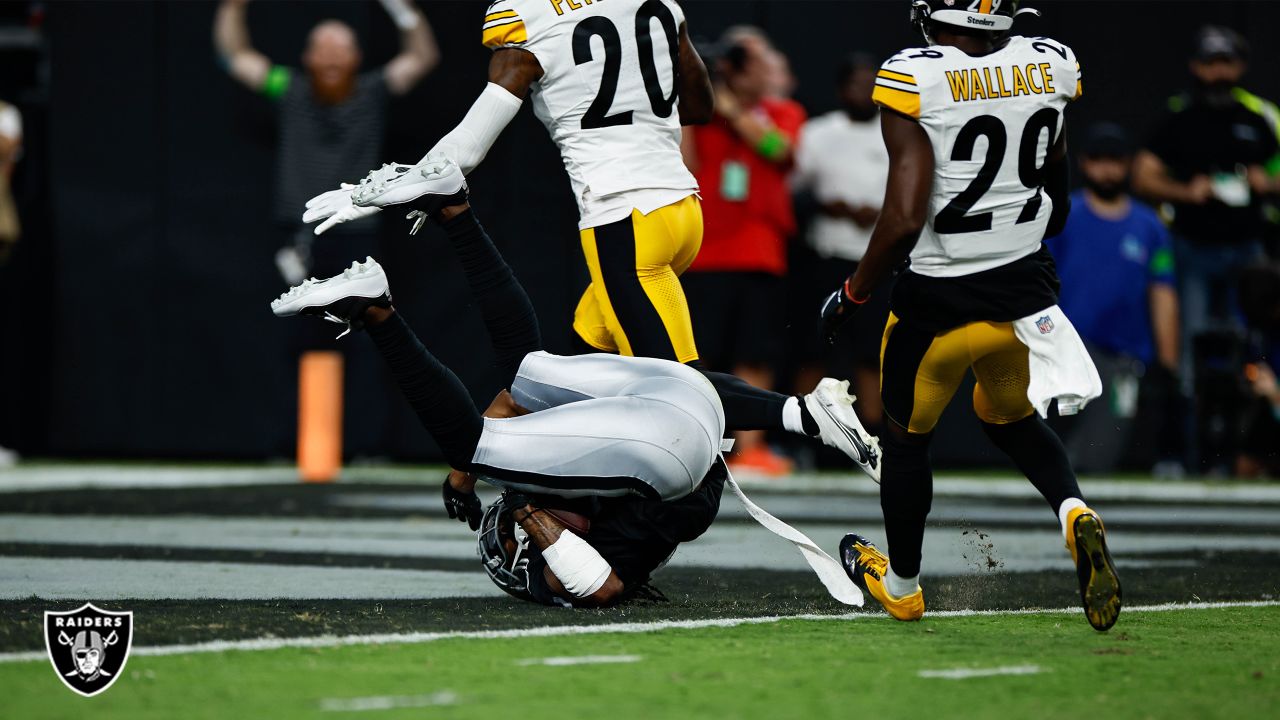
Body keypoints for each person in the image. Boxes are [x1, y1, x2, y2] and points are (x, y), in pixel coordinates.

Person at [300, 0, 881, 481]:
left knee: (683, 391)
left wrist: (371, 193)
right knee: (556, 373)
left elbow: (468, 149)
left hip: (624, 221)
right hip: (681, 214)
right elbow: (700, 105)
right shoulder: (655, 5)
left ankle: (807, 413)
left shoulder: (528, 17)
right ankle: (472, 466)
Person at [272, 164, 866, 607]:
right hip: (675, 446)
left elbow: (509, 401)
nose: (527, 507)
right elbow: (601, 588)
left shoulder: (575, 481)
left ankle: (447, 217)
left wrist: (463, 476)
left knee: (524, 369)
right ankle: (800, 415)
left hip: (681, 419)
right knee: (493, 418)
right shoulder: (596, 535)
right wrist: (526, 515)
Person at [820, 0, 1121, 631]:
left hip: (937, 301)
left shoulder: (915, 74)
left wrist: (853, 292)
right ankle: (1072, 511)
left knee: (905, 444)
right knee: (1006, 416)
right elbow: (1056, 179)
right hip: (1021, 295)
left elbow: (903, 217)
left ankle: (902, 585)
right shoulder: (1051, 61)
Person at [214, 0, 439, 284]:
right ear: (307, 57)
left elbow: (423, 58)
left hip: (358, 228)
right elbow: (233, 56)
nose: (331, 58)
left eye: (340, 49)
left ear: (357, 56)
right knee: (298, 319)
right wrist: (232, 6)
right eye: (323, 49)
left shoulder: (374, 91)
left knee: (364, 317)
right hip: (298, 229)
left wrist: (402, 10)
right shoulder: (287, 88)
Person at [680, 28, 807, 475]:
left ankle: (750, 450)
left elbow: (779, 150)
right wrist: (691, 105)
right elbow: (686, 164)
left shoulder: (781, 112)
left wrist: (733, 111)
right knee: (700, 356)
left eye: (746, 59)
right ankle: (698, 446)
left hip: (759, 254)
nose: (735, 68)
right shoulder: (699, 113)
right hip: (703, 252)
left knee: (756, 353)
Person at [1132, 26, 1280, 388]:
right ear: (1196, 67)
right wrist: (1186, 191)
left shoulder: (1258, 118)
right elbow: (1142, 177)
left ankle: (1252, 422)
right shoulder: (1180, 117)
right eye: (1210, 63)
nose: (1218, 72)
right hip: (1193, 246)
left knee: (1253, 338)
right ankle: (1190, 423)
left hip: (1249, 248)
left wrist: (1267, 182)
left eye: (1226, 62)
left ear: (1240, 66)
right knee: (1191, 337)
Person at [1045, 123, 1182, 473]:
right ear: (1084, 162)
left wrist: (1166, 362)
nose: (1107, 169)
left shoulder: (1149, 226)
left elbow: (1162, 291)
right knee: (1054, 446)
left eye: (1115, 160)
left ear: (1129, 164)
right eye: (1098, 159)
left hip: (1126, 357)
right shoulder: (1064, 215)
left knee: (1102, 453)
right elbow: (1039, 283)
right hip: (1069, 349)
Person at [791, 54, 891, 434]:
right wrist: (827, 204)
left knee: (872, 354)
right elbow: (794, 192)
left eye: (871, 85)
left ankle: (874, 434)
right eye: (856, 84)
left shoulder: (895, 131)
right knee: (812, 348)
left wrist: (881, 213)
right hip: (825, 255)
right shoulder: (817, 133)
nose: (863, 93)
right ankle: (802, 433)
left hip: (877, 260)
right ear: (840, 89)